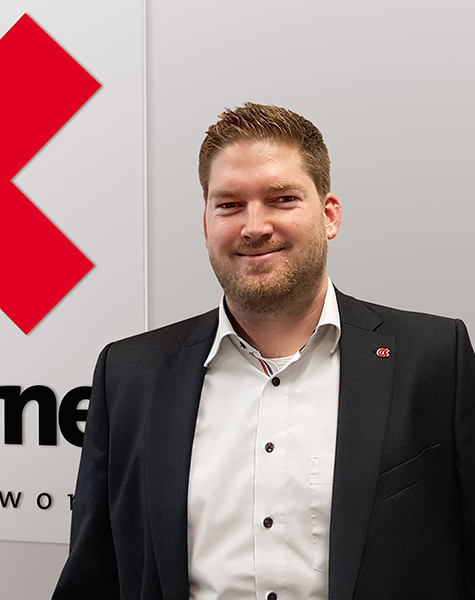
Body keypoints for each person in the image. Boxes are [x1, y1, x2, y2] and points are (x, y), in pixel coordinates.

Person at [52, 103, 475, 600]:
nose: (254, 226)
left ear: (329, 215)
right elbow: (93, 577)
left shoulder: (435, 359)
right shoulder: (131, 375)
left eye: (282, 199)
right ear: (206, 223)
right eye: (229, 204)